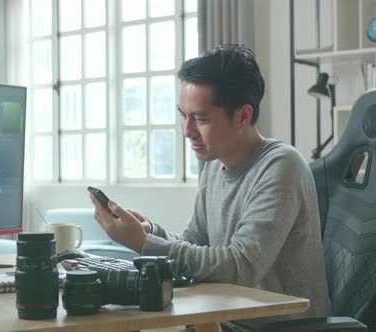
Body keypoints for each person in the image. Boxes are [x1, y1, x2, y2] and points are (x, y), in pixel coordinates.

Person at [90, 44, 330, 328]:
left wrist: (142, 243)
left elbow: (241, 267)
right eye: (183, 115)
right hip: (225, 320)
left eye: (200, 119)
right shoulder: (214, 165)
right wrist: (150, 231)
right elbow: (195, 242)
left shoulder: (281, 167)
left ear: (242, 116)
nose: (187, 130)